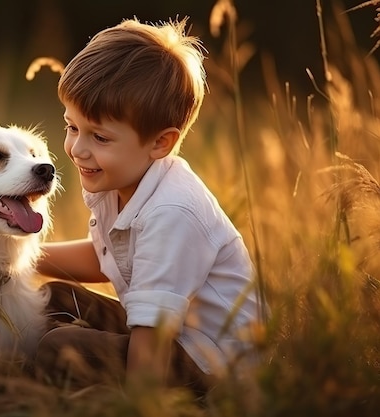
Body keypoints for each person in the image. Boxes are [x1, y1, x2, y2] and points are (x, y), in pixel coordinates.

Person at [34, 17, 263, 394]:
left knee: (58, 348)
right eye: (72, 127)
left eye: (100, 137)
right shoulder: (120, 179)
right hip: (170, 338)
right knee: (51, 300)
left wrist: (140, 403)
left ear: (161, 143)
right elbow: (108, 258)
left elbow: (152, 336)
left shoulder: (172, 212)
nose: (77, 149)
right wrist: (21, 258)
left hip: (214, 368)